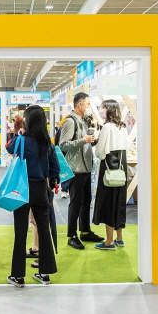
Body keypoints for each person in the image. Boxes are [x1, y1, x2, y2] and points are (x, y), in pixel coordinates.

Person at [5, 105, 59, 287]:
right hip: (41, 191)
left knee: (20, 232)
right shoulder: (48, 143)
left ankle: (18, 276)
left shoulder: (21, 140)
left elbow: (10, 150)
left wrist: (20, 133)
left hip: (22, 189)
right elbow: (55, 169)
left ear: (27, 121)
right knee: (44, 230)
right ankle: (45, 273)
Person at [59, 92, 103, 249]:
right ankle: (71, 235)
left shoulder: (83, 121)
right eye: (87, 104)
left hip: (86, 167)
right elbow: (63, 144)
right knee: (76, 203)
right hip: (76, 169)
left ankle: (85, 231)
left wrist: (91, 141)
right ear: (79, 105)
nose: (89, 107)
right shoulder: (70, 122)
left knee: (85, 201)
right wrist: (83, 140)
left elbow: (81, 143)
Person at [92, 100, 130, 250]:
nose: (101, 111)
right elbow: (126, 146)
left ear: (108, 110)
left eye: (102, 108)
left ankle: (109, 241)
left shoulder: (106, 127)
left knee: (108, 202)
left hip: (108, 167)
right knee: (119, 202)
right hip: (121, 167)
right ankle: (119, 238)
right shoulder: (122, 126)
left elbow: (100, 153)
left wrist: (96, 144)